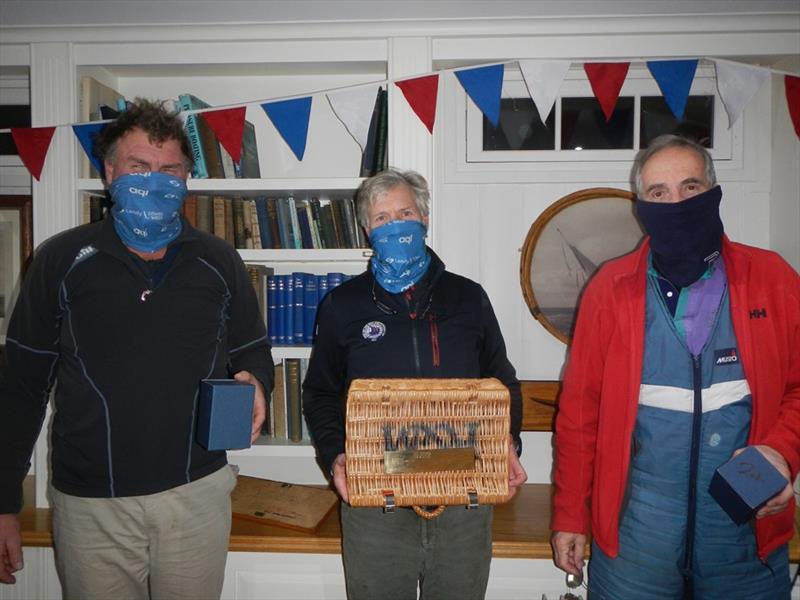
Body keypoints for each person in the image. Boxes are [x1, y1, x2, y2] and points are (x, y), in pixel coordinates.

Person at [0, 99, 273, 598]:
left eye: (171, 169)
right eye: (139, 166)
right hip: (91, 505)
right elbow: (19, 388)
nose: (156, 179)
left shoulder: (219, 259)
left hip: (198, 494)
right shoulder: (59, 259)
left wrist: (256, 382)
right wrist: (3, 505)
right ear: (109, 172)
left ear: (188, 177)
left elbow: (253, 349)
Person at [551, 134, 800, 598]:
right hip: (634, 544)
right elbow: (579, 416)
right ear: (641, 206)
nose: (676, 202)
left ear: (714, 191)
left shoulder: (773, 280)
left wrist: (781, 452)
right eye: (659, 193)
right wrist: (569, 515)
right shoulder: (610, 289)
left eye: (690, 187)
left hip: (745, 539)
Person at [303, 168, 528, 600]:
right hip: (375, 501)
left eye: (405, 212)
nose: (395, 224)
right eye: (382, 217)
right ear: (366, 229)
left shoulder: (469, 297)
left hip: (465, 495)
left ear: (424, 219)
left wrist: (508, 442)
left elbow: (501, 380)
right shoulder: (341, 305)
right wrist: (335, 458)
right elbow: (320, 393)